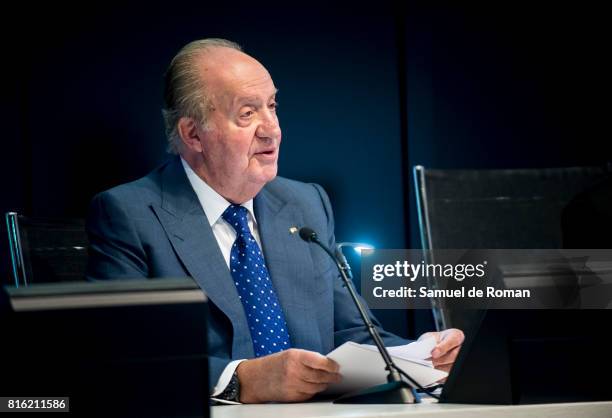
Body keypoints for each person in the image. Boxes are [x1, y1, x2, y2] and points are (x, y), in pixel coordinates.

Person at [86, 38, 464, 403]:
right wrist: (240, 381)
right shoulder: (130, 214)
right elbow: (121, 358)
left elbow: (354, 335)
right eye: (247, 114)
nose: (272, 129)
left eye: (272, 106)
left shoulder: (306, 204)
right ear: (193, 134)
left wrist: (422, 357)